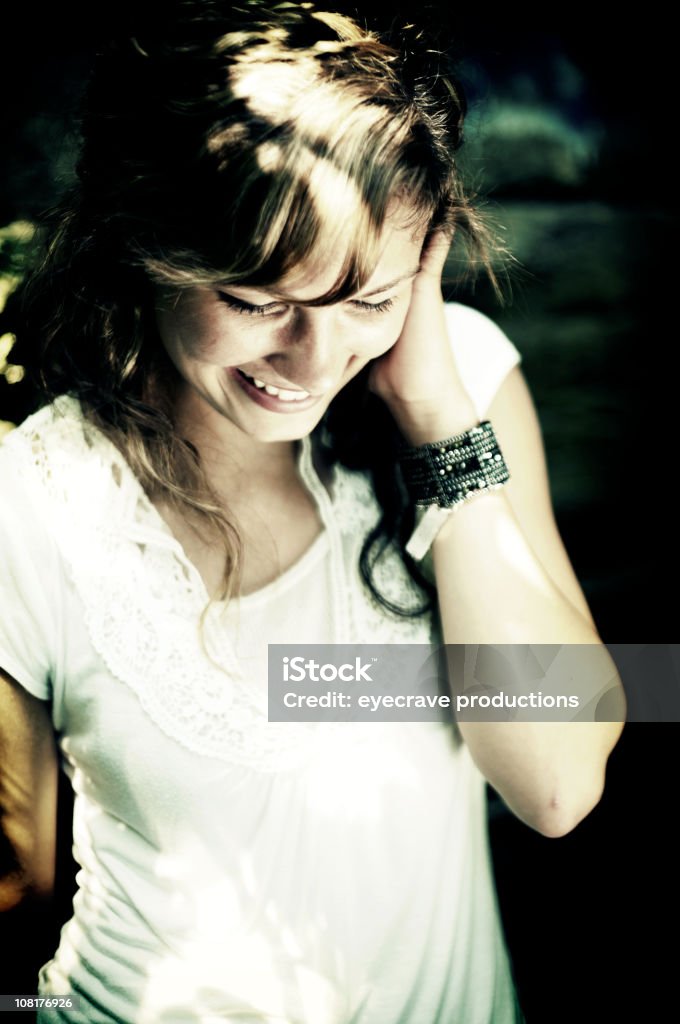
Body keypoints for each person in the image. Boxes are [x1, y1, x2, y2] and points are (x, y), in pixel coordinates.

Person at [0, 2, 625, 1021]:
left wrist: (431, 416)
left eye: (367, 301)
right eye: (255, 302)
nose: (311, 360)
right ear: (147, 246)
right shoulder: (27, 503)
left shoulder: (461, 382)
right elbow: (14, 893)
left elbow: (555, 782)